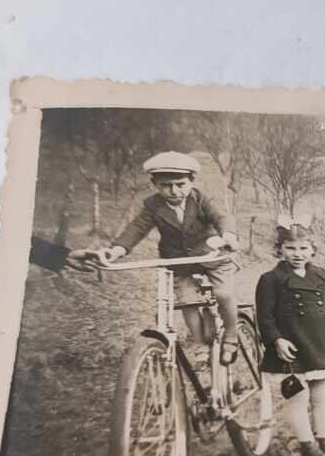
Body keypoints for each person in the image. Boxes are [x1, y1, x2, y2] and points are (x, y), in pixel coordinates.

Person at [66, 151, 243, 364]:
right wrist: (115, 252)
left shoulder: (201, 200)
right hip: (179, 263)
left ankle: (232, 335)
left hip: (213, 255)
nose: (174, 190)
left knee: (223, 294)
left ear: (191, 181)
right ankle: (200, 343)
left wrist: (229, 237)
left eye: (180, 184)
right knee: (187, 301)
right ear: (155, 184)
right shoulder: (153, 206)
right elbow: (136, 229)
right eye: (166, 185)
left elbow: (221, 217)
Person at [255, 215, 325, 456]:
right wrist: (276, 339)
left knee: (321, 397)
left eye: (303, 248)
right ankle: (307, 448)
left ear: (312, 250)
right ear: (279, 250)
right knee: (298, 398)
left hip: (323, 342)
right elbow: (264, 317)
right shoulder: (270, 279)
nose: (297, 254)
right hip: (292, 347)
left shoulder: (322, 275)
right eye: (290, 248)